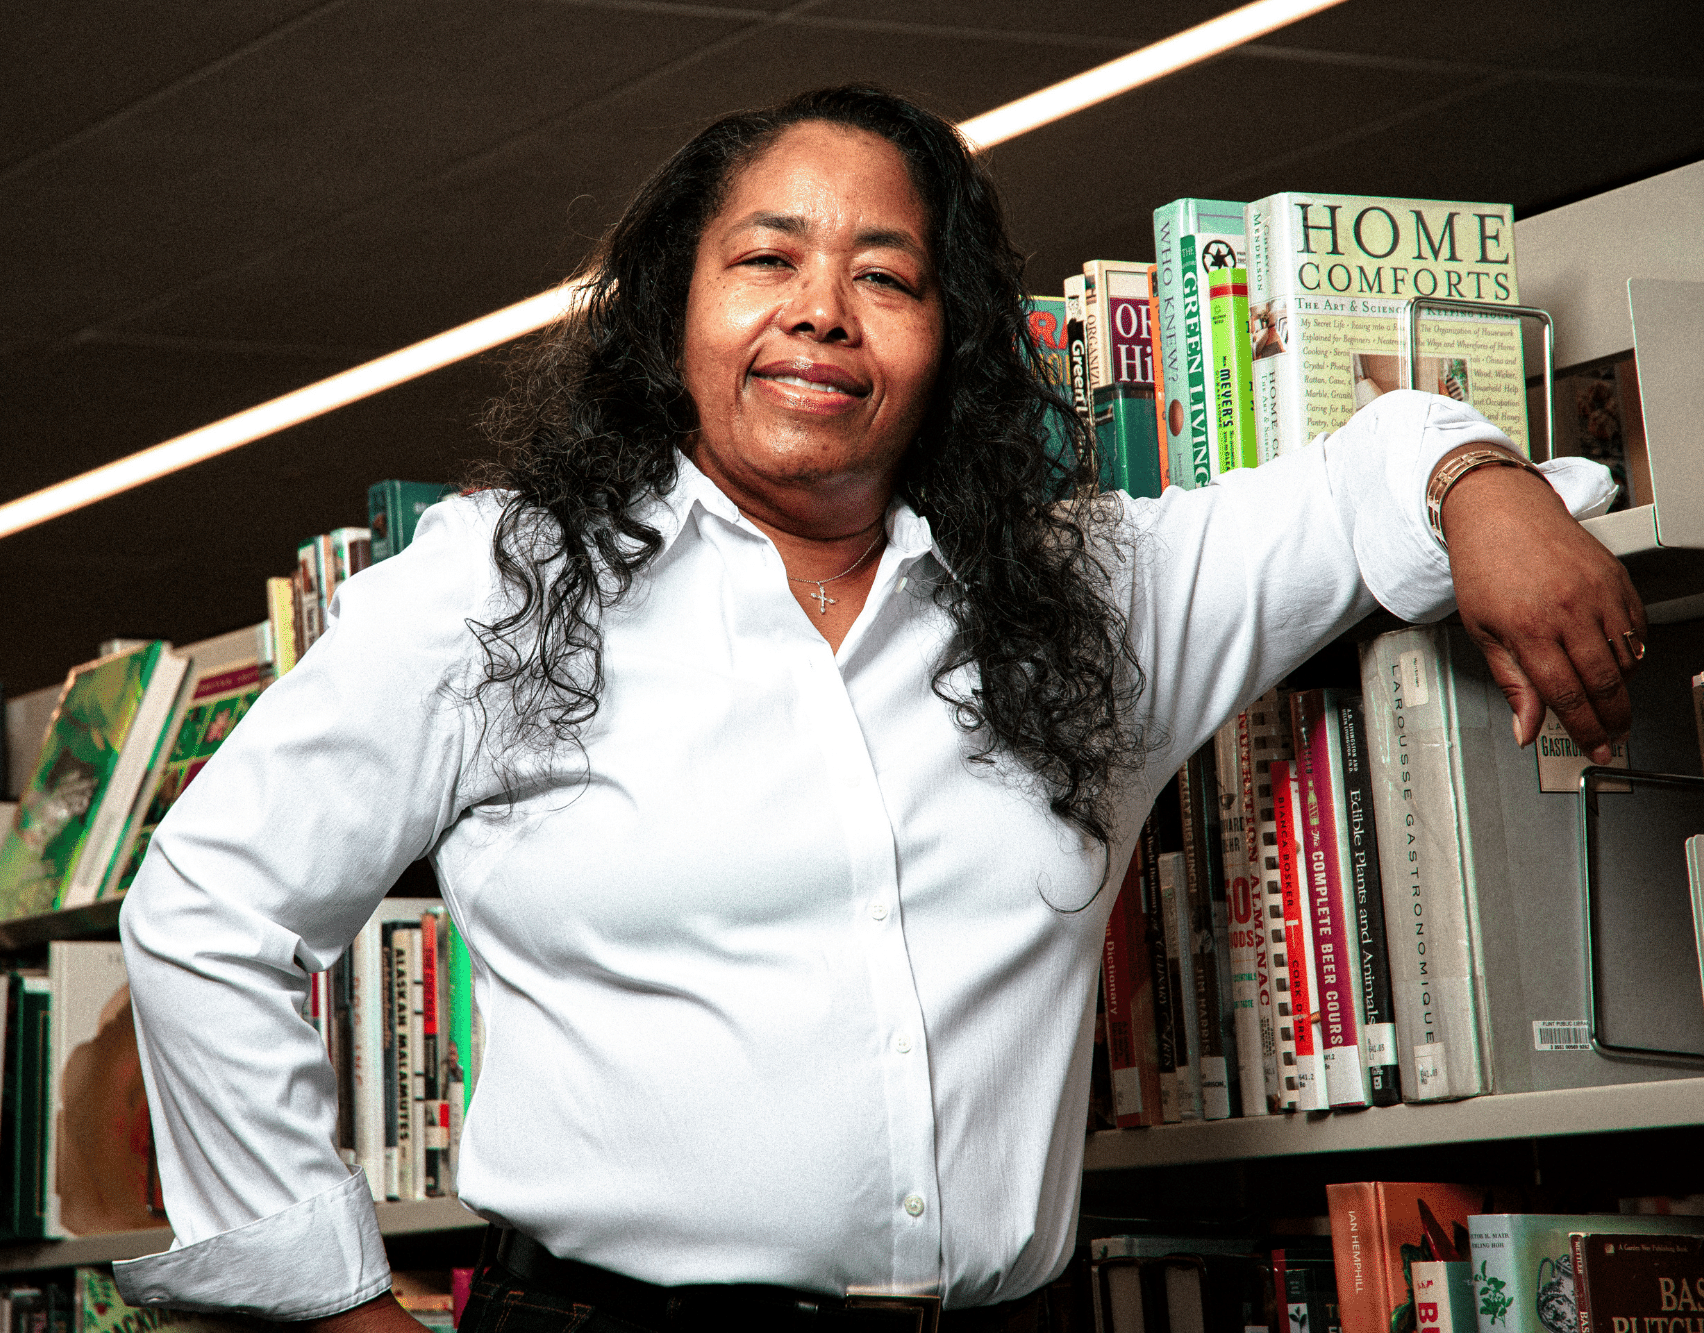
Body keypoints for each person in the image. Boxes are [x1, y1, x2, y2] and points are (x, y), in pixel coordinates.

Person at [111, 87, 1639, 1332]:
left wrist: (1472, 479)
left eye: (887, 277)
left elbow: (1357, 471)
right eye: (766, 260)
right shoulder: (505, 586)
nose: (822, 313)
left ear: (949, 344)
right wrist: (323, 1302)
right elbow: (207, 899)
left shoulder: (1090, 598)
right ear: (667, 317)